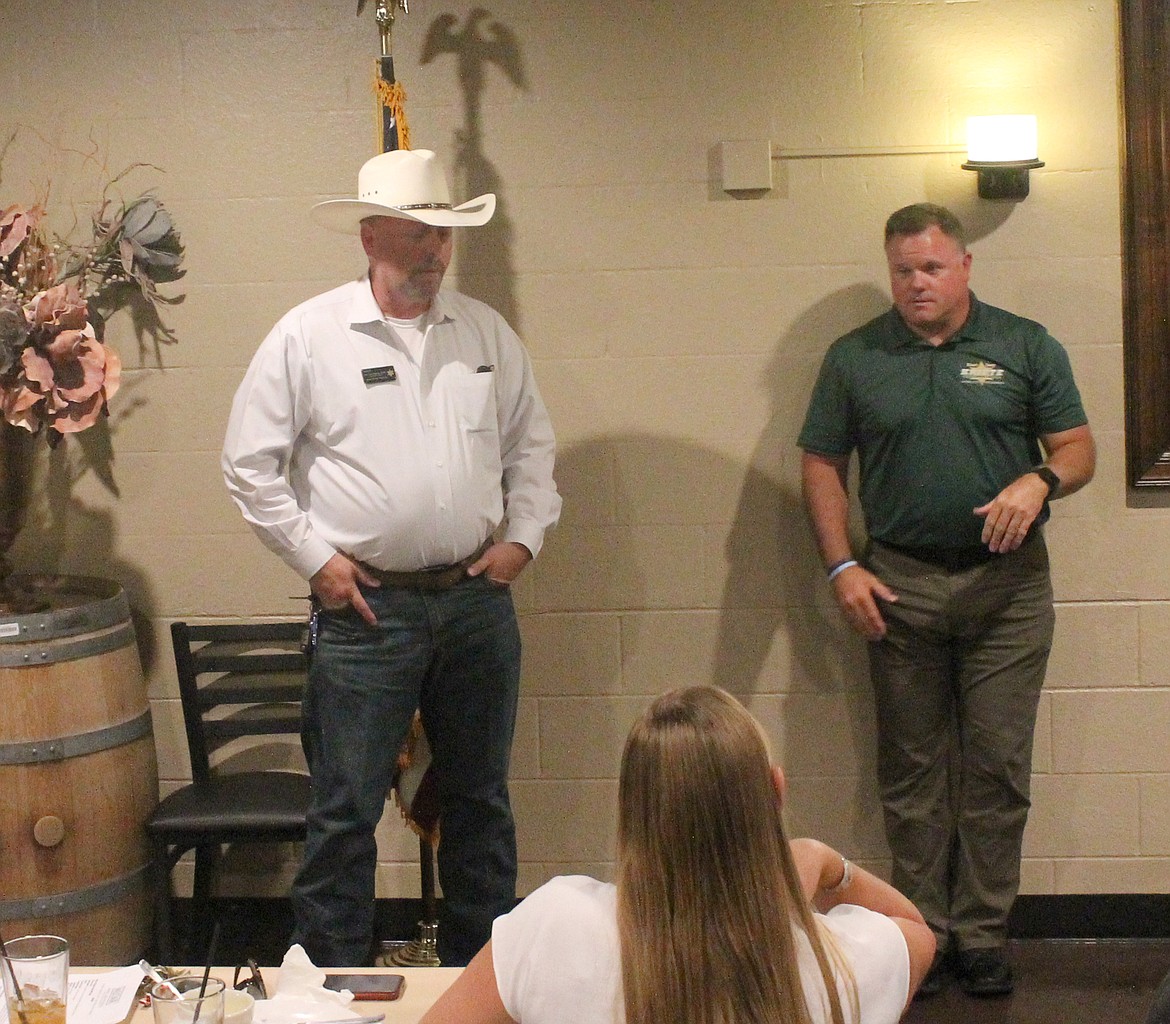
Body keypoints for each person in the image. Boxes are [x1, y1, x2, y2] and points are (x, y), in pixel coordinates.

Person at [222, 148, 561, 967]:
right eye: (417, 234)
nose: (434, 252)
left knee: (481, 802)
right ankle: (332, 983)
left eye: (443, 236)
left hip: (477, 605)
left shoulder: (484, 332)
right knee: (344, 811)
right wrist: (316, 560)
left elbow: (533, 450)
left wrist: (522, 538)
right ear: (370, 236)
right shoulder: (309, 336)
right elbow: (248, 463)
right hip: (366, 613)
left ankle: (483, 985)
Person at [798, 203, 1095, 997]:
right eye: (902, 270)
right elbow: (822, 464)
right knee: (913, 772)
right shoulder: (855, 357)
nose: (916, 283)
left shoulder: (1024, 344)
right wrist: (840, 568)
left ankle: (985, 931)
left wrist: (1039, 479)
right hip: (898, 586)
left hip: (1009, 591)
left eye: (931, 268)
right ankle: (920, 933)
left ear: (964, 267)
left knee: (998, 768)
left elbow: (1078, 448)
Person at [418, 685, 935, 1024]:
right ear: (775, 794)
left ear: (630, 809)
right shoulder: (840, 963)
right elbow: (914, 929)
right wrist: (825, 860)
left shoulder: (555, 925)